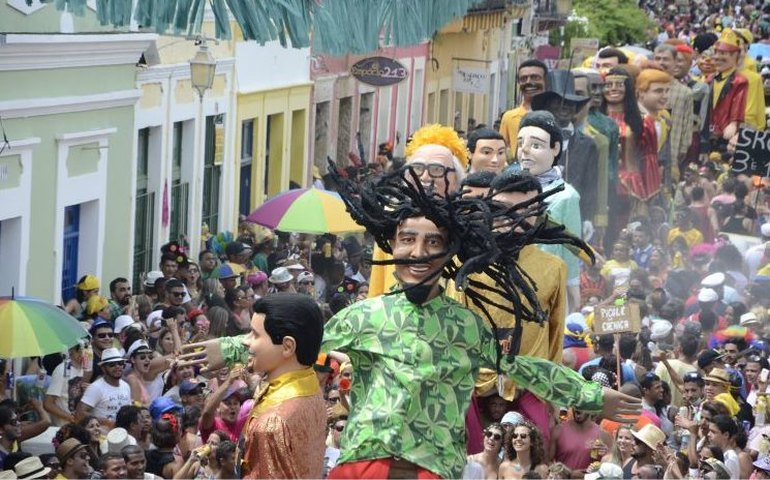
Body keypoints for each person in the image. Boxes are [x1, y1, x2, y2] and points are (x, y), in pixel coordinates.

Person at [180, 166, 640, 479]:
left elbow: (518, 368)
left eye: (431, 241)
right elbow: (296, 343)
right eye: (407, 240)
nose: (417, 253)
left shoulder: (466, 325)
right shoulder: (364, 316)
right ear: (391, 246)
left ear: (448, 249)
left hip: (433, 469)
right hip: (362, 467)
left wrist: (589, 393)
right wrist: (234, 348)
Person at [515, 110, 583, 312]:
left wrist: (571, 291)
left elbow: (571, 247)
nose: (524, 151)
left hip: (545, 283)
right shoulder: (508, 189)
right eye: (520, 144)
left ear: (555, 148)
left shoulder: (565, 196)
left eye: (536, 145)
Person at [76, 348, 131, 428]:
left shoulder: (126, 386)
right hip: (102, 435)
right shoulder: (96, 387)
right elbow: (80, 413)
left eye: (120, 363)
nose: (117, 367)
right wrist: (107, 422)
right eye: (112, 364)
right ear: (103, 368)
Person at [499, 60, 548, 147]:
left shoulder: (556, 115)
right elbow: (502, 151)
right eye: (523, 79)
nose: (528, 82)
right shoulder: (509, 117)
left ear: (546, 81)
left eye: (535, 77)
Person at [551, 408, 613, 475]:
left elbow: (613, 466)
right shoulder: (558, 430)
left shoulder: (603, 435)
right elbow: (547, 462)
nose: (578, 407)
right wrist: (568, 474)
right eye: (576, 404)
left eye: (582, 405)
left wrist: (606, 456)